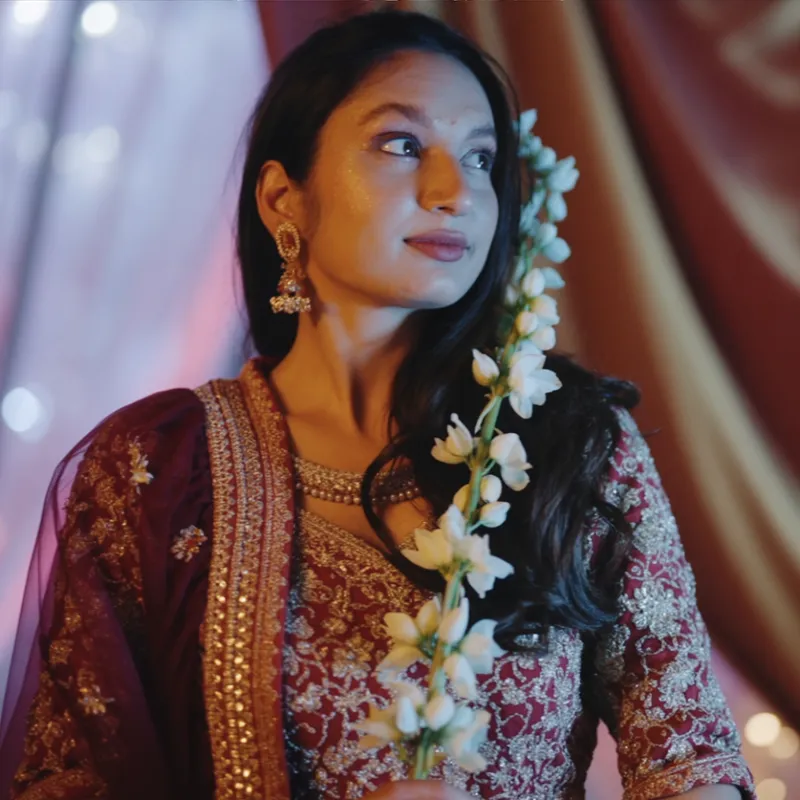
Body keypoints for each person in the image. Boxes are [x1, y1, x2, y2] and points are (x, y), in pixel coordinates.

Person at [0, 9, 755, 800]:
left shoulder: (569, 446)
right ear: (282, 200)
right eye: (402, 145)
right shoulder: (156, 473)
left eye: (481, 157)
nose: (454, 189)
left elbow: (691, 762)